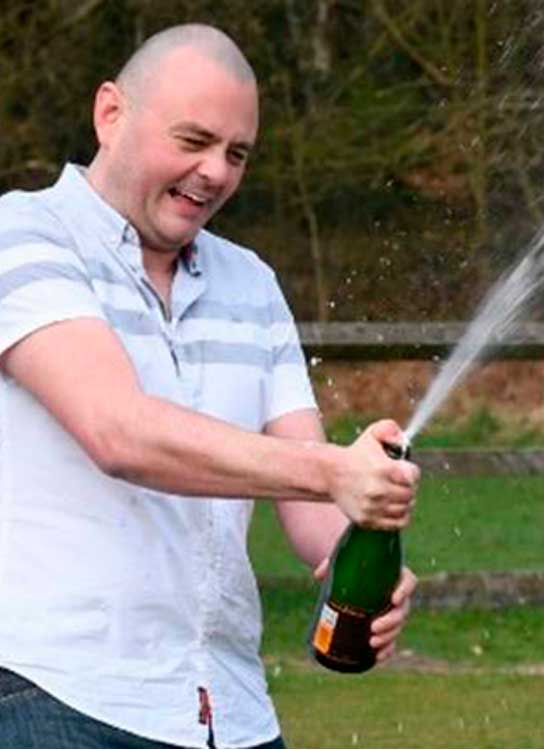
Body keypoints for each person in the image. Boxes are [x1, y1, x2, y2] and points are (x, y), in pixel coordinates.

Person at [0, 24, 420, 749]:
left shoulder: (251, 283)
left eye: (237, 153)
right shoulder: (23, 233)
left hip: (230, 710)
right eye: (193, 141)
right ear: (110, 113)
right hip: (57, 695)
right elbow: (118, 431)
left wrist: (364, 529)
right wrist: (333, 472)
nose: (216, 172)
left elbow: (310, 503)